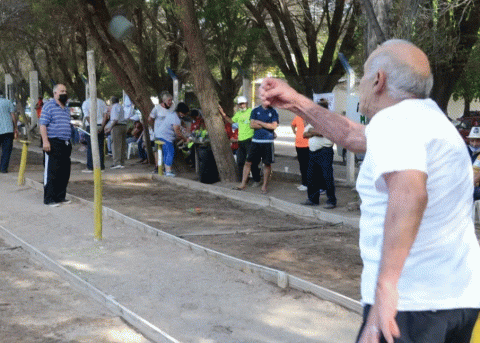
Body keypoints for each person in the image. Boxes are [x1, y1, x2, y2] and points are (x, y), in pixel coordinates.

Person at [260, 39, 480, 343]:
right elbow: (352, 135)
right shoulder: (429, 119)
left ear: (379, 80)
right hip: (455, 299)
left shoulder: (395, 120)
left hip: (410, 305)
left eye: (363, 76)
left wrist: (386, 289)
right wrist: (297, 102)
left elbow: (410, 193)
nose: (359, 85)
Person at [234, 99, 279, 194]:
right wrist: (267, 125)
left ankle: (264, 186)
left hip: (268, 141)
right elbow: (252, 125)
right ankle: (243, 183)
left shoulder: (273, 111)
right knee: (248, 162)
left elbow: (274, 126)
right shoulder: (255, 110)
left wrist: (260, 123)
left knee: (267, 164)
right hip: (255, 141)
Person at [39, 84, 72, 207]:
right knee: (52, 171)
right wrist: (45, 141)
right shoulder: (48, 106)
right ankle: (49, 199)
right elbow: (43, 125)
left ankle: (60, 196)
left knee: (64, 171)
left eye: (65, 91)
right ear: (55, 93)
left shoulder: (66, 108)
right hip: (53, 142)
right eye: (61, 91)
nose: (64, 93)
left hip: (65, 143)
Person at [302, 100, 336, 209]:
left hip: (325, 151)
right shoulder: (313, 120)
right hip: (313, 152)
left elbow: (322, 133)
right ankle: (313, 199)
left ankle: (331, 200)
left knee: (327, 176)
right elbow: (304, 134)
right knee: (311, 176)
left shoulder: (329, 119)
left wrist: (313, 131)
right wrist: (313, 131)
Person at [219, 97, 261, 184]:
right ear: (238, 105)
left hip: (250, 140)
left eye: (243, 103)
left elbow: (258, 123)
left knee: (252, 161)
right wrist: (223, 114)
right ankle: (244, 180)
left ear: (246, 103)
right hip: (241, 141)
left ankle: (257, 180)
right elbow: (231, 121)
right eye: (240, 104)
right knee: (240, 162)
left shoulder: (252, 112)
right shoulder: (238, 114)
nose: (242, 105)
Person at [156, 102, 190, 177]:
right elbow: (177, 132)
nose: (185, 115)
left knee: (166, 153)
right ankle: (168, 171)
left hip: (160, 135)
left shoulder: (172, 114)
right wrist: (185, 139)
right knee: (170, 152)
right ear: (181, 112)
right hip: (166, 137)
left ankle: (166, 170)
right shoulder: (176, 119)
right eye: (185, 113)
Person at [81, 97, 108, 172]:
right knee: (100, 146)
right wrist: (102, 126)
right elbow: (105, 115)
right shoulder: (102, 102)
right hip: (100, 125)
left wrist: (93, 126)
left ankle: (90, 167)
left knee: (90, 147)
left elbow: (87, 116)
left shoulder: (86, 103)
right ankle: (101, 166)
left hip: (91, 126)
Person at [149, 92, 174, 172]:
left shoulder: (173, 107)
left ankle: (168, 169)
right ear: (164, 101)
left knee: (168, 151)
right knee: (157, 150)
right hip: (158, 134)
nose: (170, 102)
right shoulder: (157, 108)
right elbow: (150, 119)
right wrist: (155, 128)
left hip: (169, 134)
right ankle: (158, 167)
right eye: (169, 100)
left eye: (171, 100)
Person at [105, 96, 126, 169]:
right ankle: (122, 162)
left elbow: (115, 119)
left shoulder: (114, 107)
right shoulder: (121, 107)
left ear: (112, 101)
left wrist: (110, 128)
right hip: (124, 125)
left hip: (117, 126)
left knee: (116, 145)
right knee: (122, 145)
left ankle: (116, 162)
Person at [0, 90, 18, 173]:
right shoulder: (8, 102)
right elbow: (13, 116)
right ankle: (3, 168)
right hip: (8, 130)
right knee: (6, 150)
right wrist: (16, 127)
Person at [291, 115, 309, 191]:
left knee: (307, 165)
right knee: (302, 165)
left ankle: (308, 183)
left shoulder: (309, 118)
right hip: (298, 145)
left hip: (307, 145)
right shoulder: (297, 117)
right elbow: (292, 124)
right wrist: (294, 131)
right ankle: (304, 183)